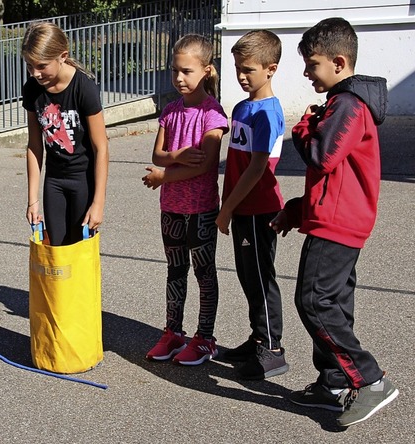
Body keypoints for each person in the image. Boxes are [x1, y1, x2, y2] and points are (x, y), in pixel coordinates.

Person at [270, 17, 398, 427]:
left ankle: (371, 380)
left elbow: (322, 156)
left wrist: (304, 126)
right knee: (335, 303)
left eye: (312, 64)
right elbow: (335, 176)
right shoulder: (344, 104)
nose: (307, 73)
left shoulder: (348, 105)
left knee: (314, 301)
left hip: (338, 225)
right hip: (333, 218)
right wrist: (297, 208)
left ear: (339, 62)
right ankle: (333, 384)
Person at [142, 34, 228, 365]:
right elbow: (158, 154)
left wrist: (164, 175)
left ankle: (204, 338)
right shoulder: (170, 110)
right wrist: (176, 155)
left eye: (187, 72)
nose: (179, 78)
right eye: (175, 70)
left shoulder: (213, 113)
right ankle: (173, 333)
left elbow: (206, 163)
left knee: (204, 274)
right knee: (174, 270)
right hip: (172, 208)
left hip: (202, 209)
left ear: (206, 71)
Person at [216, 30, 289, 380]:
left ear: (271, 69)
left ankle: (272, 350)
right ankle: (259, 337)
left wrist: (227, 207)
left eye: (249, 70)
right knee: (248, 277)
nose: (242, 76)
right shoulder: (242, 107)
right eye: (237, 69)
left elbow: (258, 168)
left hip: (258, 209)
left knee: (261, 279)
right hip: (241, 207)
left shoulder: (267, 113)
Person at [22, 22, 109, 246]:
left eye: (41, 65)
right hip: (54, 180)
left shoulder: (84, 87)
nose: (35, 73)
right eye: (29, 65)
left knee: (79, 250)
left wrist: (98, 203)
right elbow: (34, 145)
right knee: (57, 251)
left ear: (62, 56)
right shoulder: (32, 89)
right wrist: (33, 200)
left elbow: (101, 147)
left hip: (83, 181)